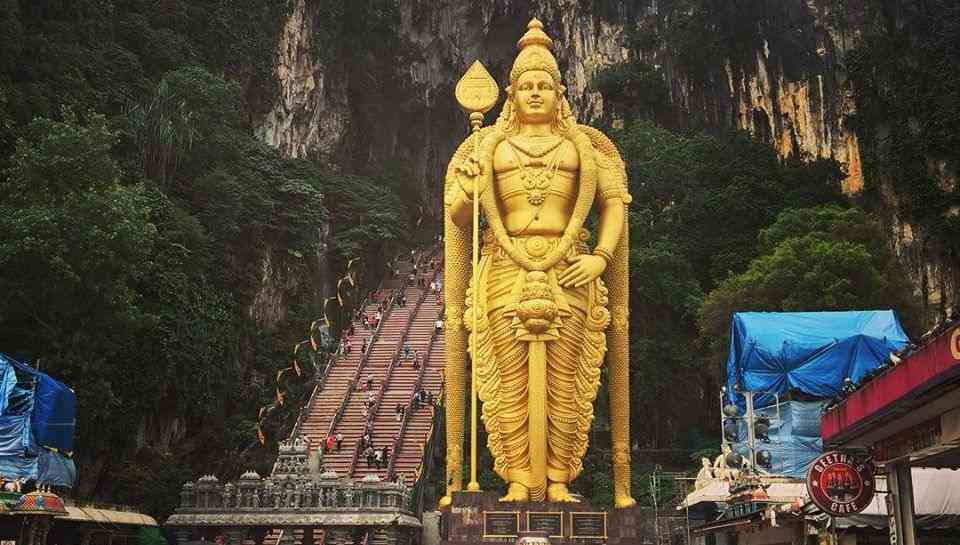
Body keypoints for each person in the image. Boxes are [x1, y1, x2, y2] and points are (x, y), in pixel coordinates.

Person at [440, 19, 634, 506]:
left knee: (568, 382)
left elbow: (615, 204)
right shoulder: (488, 146)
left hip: (569, 266)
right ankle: (517, 479)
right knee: (506, 380)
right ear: (509, 92)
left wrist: (600, 257)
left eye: (544, 85)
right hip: (505, 268)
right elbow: (461, 216)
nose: (534, 93)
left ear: (560, 91)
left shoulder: (583, 148)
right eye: (525, 85)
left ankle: (559, 479)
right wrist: (467, 185)